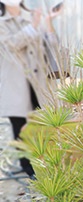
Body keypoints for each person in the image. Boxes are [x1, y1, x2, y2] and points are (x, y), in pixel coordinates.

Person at [0, 0, 58, 178]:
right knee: (21, 127)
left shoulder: (33, 18)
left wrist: (47, 23)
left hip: (39, 83)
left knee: (45, 124)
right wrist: (33, 25)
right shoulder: (2, 23)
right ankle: (29, 169)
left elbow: (52, 47)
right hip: (16, 85)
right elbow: (11, 45)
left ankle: (48, 165)